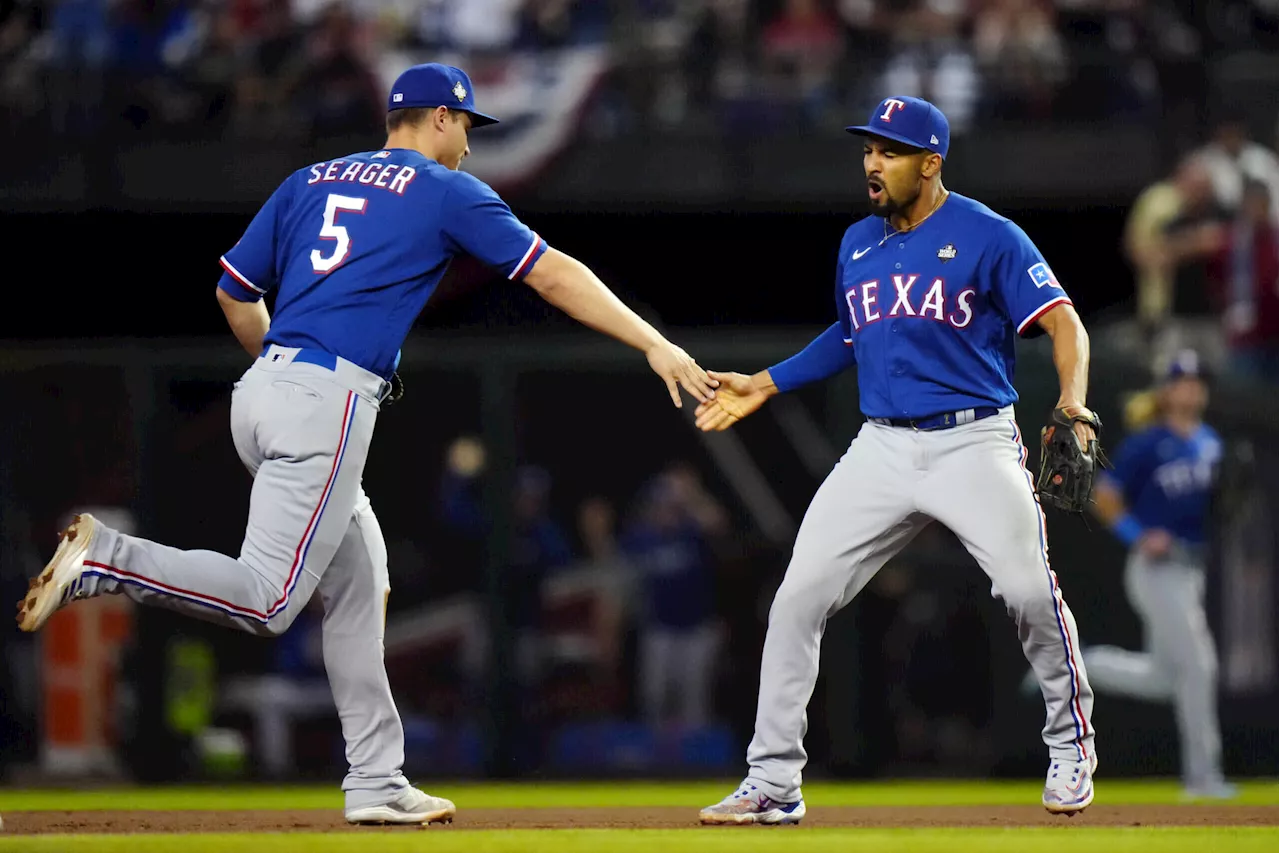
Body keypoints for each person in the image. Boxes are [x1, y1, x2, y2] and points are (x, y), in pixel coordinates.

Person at [15, 62, 716, 825]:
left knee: (358, 578)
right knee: (269, 600)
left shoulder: (307, 179)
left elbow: (232, 292)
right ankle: (108, 559)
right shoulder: (444, 189)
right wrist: (654, 343)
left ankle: (377, 777)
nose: (470, 149)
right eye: (467, 129)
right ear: (440, 120)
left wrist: (283, 382)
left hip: (263, 388)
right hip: (327, 399)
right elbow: (552, 275)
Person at [693, 96, 1100, 825]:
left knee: (1028, 593)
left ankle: (1070, 746)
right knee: (796, 599)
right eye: (868, 150)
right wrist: (763, 380)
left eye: (889, 152)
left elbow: (1064, 322)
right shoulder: (858, 241)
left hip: (973, 439)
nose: (871, 164)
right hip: (880, 445)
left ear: (931, 162)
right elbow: (849, 336)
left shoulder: (989, 234)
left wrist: (1071, 403)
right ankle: (773, 780)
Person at [1080, 349, 1237, 799]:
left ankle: (1081, 664)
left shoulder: (1211, 442)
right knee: (1199, 665)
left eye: (1197, 381)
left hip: (1191, 570)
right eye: (1183, 381)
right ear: (1167, 391)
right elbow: (1106, 496)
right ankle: (1203, 778)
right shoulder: (1148, 442)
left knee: (1163, 677)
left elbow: (1216, 511)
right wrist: (1138, 534)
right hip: (1155, 570)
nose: (1191, 388)